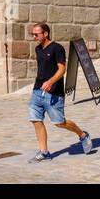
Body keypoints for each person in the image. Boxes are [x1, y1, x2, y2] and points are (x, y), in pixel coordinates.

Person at [27, 22, 91, 163]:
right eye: (33, 34)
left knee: (59, 122)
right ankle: (44, 152)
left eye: (36, 34)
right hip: (37, 91)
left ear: (45, 34)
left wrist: (50, 82)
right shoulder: (38, 49)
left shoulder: (57, 48)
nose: (34, 36)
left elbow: (62, 69)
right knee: (35, 120)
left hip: (54, 93)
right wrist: (40, 85)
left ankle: (82, 135)